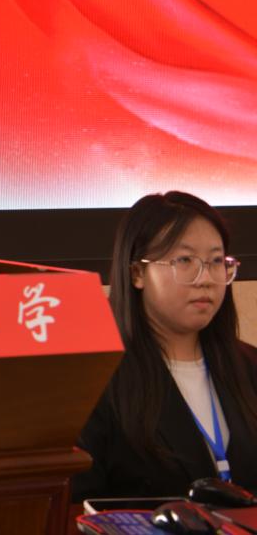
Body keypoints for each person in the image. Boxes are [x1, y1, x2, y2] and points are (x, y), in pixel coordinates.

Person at [71, 191, 257, 501]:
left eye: (215, 261)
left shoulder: (250, 366)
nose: (205, 279)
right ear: (137, 273)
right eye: (184, 261)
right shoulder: (94, 379)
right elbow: (79, 503)